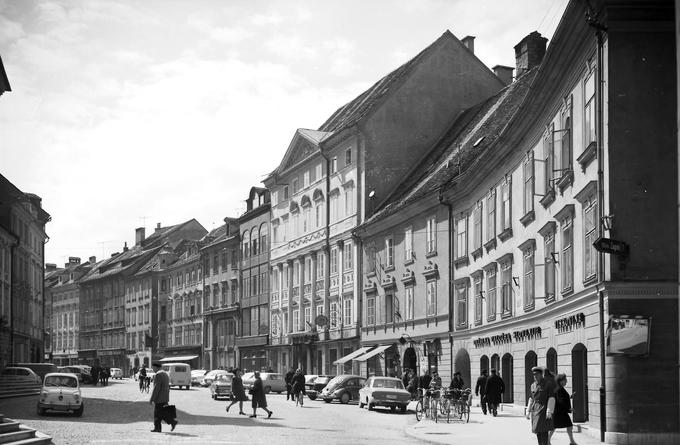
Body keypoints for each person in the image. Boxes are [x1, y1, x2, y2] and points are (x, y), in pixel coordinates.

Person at [526, 366, 555, 445]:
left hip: (544, 409)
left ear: (541, 374)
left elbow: (551, 398)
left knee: (544, 431)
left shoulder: (547, 384)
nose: (535, 376)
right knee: (537, 431)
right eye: (534, 375)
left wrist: (549, 410)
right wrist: (528, 410)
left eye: (537, 374)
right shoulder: (533, 385)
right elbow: (531, 398)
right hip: (535, 410)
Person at [149, 362, 177, 433]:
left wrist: (152, 398)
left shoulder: (158, 374)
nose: (153, 369)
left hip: (159, 398)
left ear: (156, 367)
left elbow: (156, 388)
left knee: (157, 414)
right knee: (161, 413)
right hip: (165, 397)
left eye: (153, 368)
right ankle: (159, 427)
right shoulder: (165, 374)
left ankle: (171, 422)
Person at [550, 373, 577, 445]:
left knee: (567, 426)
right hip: (559, 412)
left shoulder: (560, 388)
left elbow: (562, 399)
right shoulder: (559, 389)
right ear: (560, 381)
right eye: (565, 380)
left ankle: (572, 441)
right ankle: (547, 440)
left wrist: (570, 397)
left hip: (560, 411)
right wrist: (569, 409)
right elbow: (560, 401)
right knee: (555, 427)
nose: (566, 381)